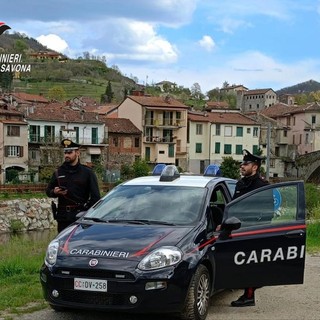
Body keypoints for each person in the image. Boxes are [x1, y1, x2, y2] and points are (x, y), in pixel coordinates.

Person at [230, 149, 269, 307]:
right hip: (238, 229)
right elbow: (233, 206)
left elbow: (269, 212)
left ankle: (249, 296)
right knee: (240, 263)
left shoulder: (262, 186)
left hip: (253, 230)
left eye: (246, 164)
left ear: (255, 167)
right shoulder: (240, 184)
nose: (242, 166)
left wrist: (257, 227)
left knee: (250, 264)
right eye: (242, 163)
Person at [46, 139, 101, 232]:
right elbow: (48, 191)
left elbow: (95, 197)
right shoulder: (58, 172)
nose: (66, 155)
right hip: (63, 217)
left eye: (70, 152)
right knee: (63, 244)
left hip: (80, 215)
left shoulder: (87, 173)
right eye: (65, 153)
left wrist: (86, 212)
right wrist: (54, 192)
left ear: (77, 153)